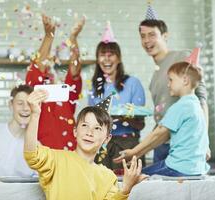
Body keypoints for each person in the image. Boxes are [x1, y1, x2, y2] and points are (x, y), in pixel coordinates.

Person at [25, 89, 147, 200]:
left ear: (107, 139)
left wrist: (126, 189)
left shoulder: (108, 177)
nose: (89, 132)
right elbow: (32, 155)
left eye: (97, 128)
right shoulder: (56, 160)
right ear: (75, 131)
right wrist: (35, 115)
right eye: (85, 125)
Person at [114, 61, 210, 176]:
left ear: (185, 80)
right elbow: (162, 137)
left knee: (136, 177)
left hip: (178, 167)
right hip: (196, 169)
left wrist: (133, 152)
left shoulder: (181, 106)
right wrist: (136, 154)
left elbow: (158, 134)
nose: (168, 84)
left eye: (171, 80)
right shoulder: (196, 105)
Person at [138, 16, 209, 163]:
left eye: (152, 35)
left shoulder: (182, 57)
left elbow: (201, 99)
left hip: (184, 145)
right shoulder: (154, 77)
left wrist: (204, 140)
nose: (146, 40)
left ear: (165, 36)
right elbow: (162, 116)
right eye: (143, 36)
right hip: (161, 146)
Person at [88, 22, 146, 172]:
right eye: (102, 55)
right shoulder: (95, 88)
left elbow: (141, 124)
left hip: (128, 145)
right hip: (101, 146)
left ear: (118, 58)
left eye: (111, 54)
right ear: (97, 59)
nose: (106, 59)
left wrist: (124, 117)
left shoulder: (133, 83)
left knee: (129, 189)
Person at [25, 14, 85, 150]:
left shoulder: (65, 93)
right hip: (45, 159)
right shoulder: (36, 90)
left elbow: (75, 71)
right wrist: (49, 36)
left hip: (71, 157)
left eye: (52, 59)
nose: (49, 62)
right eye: (47, 59)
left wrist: (73, 39)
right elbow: (37, 67)